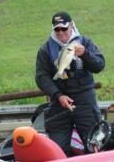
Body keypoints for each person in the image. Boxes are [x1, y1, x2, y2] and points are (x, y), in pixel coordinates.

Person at [35, 11, 105, 156]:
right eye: (56, 29)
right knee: (58, 150)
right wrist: (58, 95)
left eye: (64, 28)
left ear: (71, 25)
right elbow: (41, 77)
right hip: (59, 103)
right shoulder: (45, 49)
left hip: (85, 101)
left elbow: (99, 65)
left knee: (94, 146)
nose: (60, 33)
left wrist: (85, 54)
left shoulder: (84, 42)